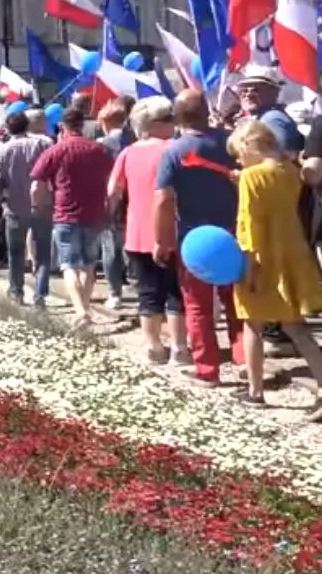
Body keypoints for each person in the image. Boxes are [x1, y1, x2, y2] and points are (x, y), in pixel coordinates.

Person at [225, 121, 322, 413]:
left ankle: (256, 391)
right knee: (297, 328)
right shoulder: (291, 170)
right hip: (291, 253)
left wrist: (249, 264)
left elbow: (248, 223)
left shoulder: (250, 176)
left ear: (247, 146)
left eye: (238, 154)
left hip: (263, 257)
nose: (239, 162)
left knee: (252, 322)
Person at [154, 89, 244, 384]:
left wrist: (161, 239)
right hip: (234, 233)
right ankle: (245, 360)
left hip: (194, 239)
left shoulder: (173, 151)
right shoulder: (231, 142)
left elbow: (163, 200)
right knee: (238, 303)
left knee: (198, 306)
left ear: (177, 117)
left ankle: (207, 369)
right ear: (207, 111)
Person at [109, 98, 188, 365]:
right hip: (175, 230)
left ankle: (154, 347)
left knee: (148, 293)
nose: (173, 122)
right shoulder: (177, 149)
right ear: (153, 123)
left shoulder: (128, 153)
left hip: (138, 231)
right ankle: (180, 348)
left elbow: (113, 192)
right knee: (177, 293)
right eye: (168, 118)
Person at [31, 108, 115, 326]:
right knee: (88, 265)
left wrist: (38, 205)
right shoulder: (100, 150)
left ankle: (80, 312)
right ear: (83, 125)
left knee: (68, 265)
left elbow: (36, 185)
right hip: (94, 213)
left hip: (65, 213)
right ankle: (84, 307)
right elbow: (114, 180)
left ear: (62, 127)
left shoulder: (56, 150)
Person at [0, 110, 54, 307]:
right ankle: (40, 295)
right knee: (43, 252)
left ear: (8, 129)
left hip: (14, 208)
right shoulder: (44, 144)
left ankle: (17, 291)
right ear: (27, 125)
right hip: (42, 205)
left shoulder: (3, 150)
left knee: (16, 253)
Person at [96, 103, 130, 309]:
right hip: (134, 198)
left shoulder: (100, 145)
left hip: (110, 198)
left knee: (110, 248)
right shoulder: (134, 141)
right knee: (132, 247)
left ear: (103, 122)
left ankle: (114, 293)